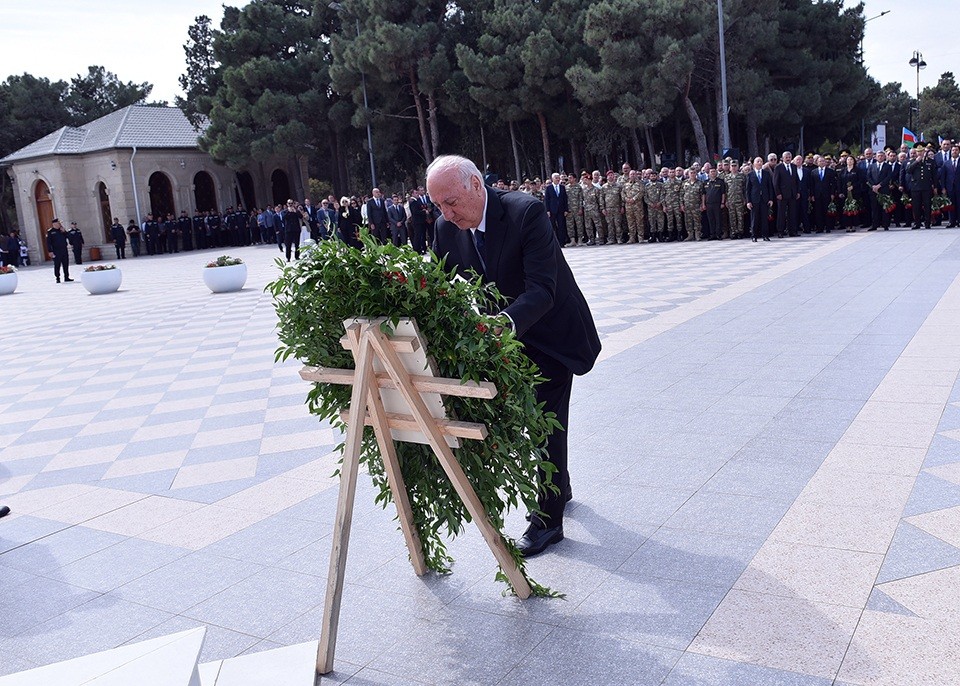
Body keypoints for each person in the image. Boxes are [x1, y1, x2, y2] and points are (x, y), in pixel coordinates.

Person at [427, 155, 601, 557]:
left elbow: (542, 289)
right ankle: (562, 482)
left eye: (451, 202)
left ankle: (547, 519)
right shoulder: (444, 228)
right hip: (503, 342)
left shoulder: (525, 212)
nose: (446, 213)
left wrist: (498, 327)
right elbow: (441, 286)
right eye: (438, 205)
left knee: (545, 422)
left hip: (549, 333)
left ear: (475, 185)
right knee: (525, 420)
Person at [745, 157, 775, 241]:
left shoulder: (766, 174)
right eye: (758, 161)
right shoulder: (750, 174)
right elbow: (748, 189)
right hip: (754, 199)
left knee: (764, 218)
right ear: (754, 163)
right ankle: (754, 236)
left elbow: (770, 187)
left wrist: (771, 199)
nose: (760, 163)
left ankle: (765, 235)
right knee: (754, 218)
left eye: (761, 161)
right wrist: (748, 201)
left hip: (764, 199)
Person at [773, 151, 800, 237]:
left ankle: (792, 231)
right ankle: (780, 231)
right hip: (782, 195)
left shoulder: (794, 166)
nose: (788, 159)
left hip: (792, 194)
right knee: (781, 214)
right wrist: (778, 193)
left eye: (789, 157)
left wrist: (798, 192)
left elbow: (796, 180)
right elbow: (775, 182)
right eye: (786, 157)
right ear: (783, 158)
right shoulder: (778, 167)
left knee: (792, 213)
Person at [702, 168, 727, 240]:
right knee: (710, 219)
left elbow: (723, 193)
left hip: (717, 203)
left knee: (718, 219)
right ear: (709, 173)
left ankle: (718, 234)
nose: (712, 173)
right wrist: (703, 204)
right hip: (708, 204)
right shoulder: (705, 182)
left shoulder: (720, 182)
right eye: (711, 172)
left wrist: (722, 202)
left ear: (716, 173)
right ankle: (712, 234)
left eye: (714, 171)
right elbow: (703, 194)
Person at [544, 172, 568, 245]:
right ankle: (554, 242)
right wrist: (547, 210)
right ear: (552, 179)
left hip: (561, 210)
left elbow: (565, 199)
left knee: (561, 226)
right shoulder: (549, 188)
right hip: (552, 210)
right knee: (552, 226)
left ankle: (561, 242)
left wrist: (566, 209)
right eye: (556, 178)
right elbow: (546, 200)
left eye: (558, 178)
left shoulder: (562, 187)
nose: (558, 179)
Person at [46, 218, 73, 283]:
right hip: (56, 251)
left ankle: (66, 277)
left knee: (66, 263)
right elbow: (48, 242)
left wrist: (65, 232)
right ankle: (57, 278)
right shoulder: (50, 231)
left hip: (64, 249)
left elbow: (69, 237)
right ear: (54, 224)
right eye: (58, 223)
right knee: (57, 264)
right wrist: (50, 251)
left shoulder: (61, 230)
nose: (60, 224)